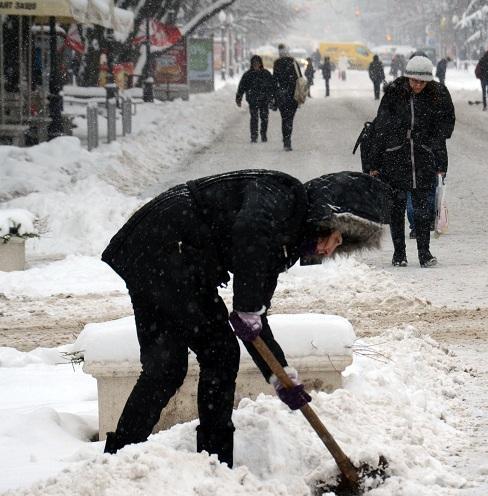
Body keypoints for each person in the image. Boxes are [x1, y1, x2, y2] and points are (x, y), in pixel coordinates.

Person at [101, 170, 391, 466]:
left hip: (153, 248)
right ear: (325, 219)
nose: (330, 249)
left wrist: (279, 375)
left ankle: (118, 458)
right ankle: (213, 460)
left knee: (165, 367)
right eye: (335, 237)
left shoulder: (283, 244)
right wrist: (248, 306)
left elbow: (254, 320)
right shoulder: (280, 197)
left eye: (340, 245)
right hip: (167, 245)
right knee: (219, 353)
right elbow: (249, 232)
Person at [368, 55, 455, 268]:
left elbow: (443, 132)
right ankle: (399, 253)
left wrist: (441, 164)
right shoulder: (394, 94)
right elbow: (379, 128)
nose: (417, 85)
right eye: (413, 81)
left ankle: (424, 252)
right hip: (395, 158)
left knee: (422, 209)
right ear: (407, 77)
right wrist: (374, 163)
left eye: (421, 82)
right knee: (396, 208)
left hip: (423, 158)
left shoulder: (437, 96)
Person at [235, 55, 277, 143]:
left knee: (264, 118)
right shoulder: (248, 75)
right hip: (253, 100)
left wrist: (273, 97)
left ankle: (263, 134)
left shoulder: (266, 74)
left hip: (264, 100)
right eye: (254, 63)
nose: (256, 65)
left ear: (260, 64)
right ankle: (254, 136)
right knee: (254, 118)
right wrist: (239, 98)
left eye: (257, 63)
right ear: (252, 64)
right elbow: (241, 87)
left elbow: (272, 87)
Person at [273, 44, 300, 151]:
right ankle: (287, 140)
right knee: (290, 119)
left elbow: (274, 80)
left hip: (281, 95)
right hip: (293, 95)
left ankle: (286, 140)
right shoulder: (293, 62)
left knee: (284, 118)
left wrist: (274, 97)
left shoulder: (277, 63)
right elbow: (300, 78)